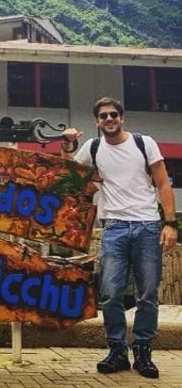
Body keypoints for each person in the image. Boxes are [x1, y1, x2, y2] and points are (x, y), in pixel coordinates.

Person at [62, 97, 178, 379]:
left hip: (148, 226)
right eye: (103, 116)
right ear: (97, 121)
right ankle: (117, 351)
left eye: (114, 114)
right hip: (113, 227)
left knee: (148, 295)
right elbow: (71, 178)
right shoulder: (93, 147)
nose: (109, 119)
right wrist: (68, 146)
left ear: (122, 118)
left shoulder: (143, 143)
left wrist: (170, 223)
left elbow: (163, 183)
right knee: (110, 293)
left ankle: (143, 352)